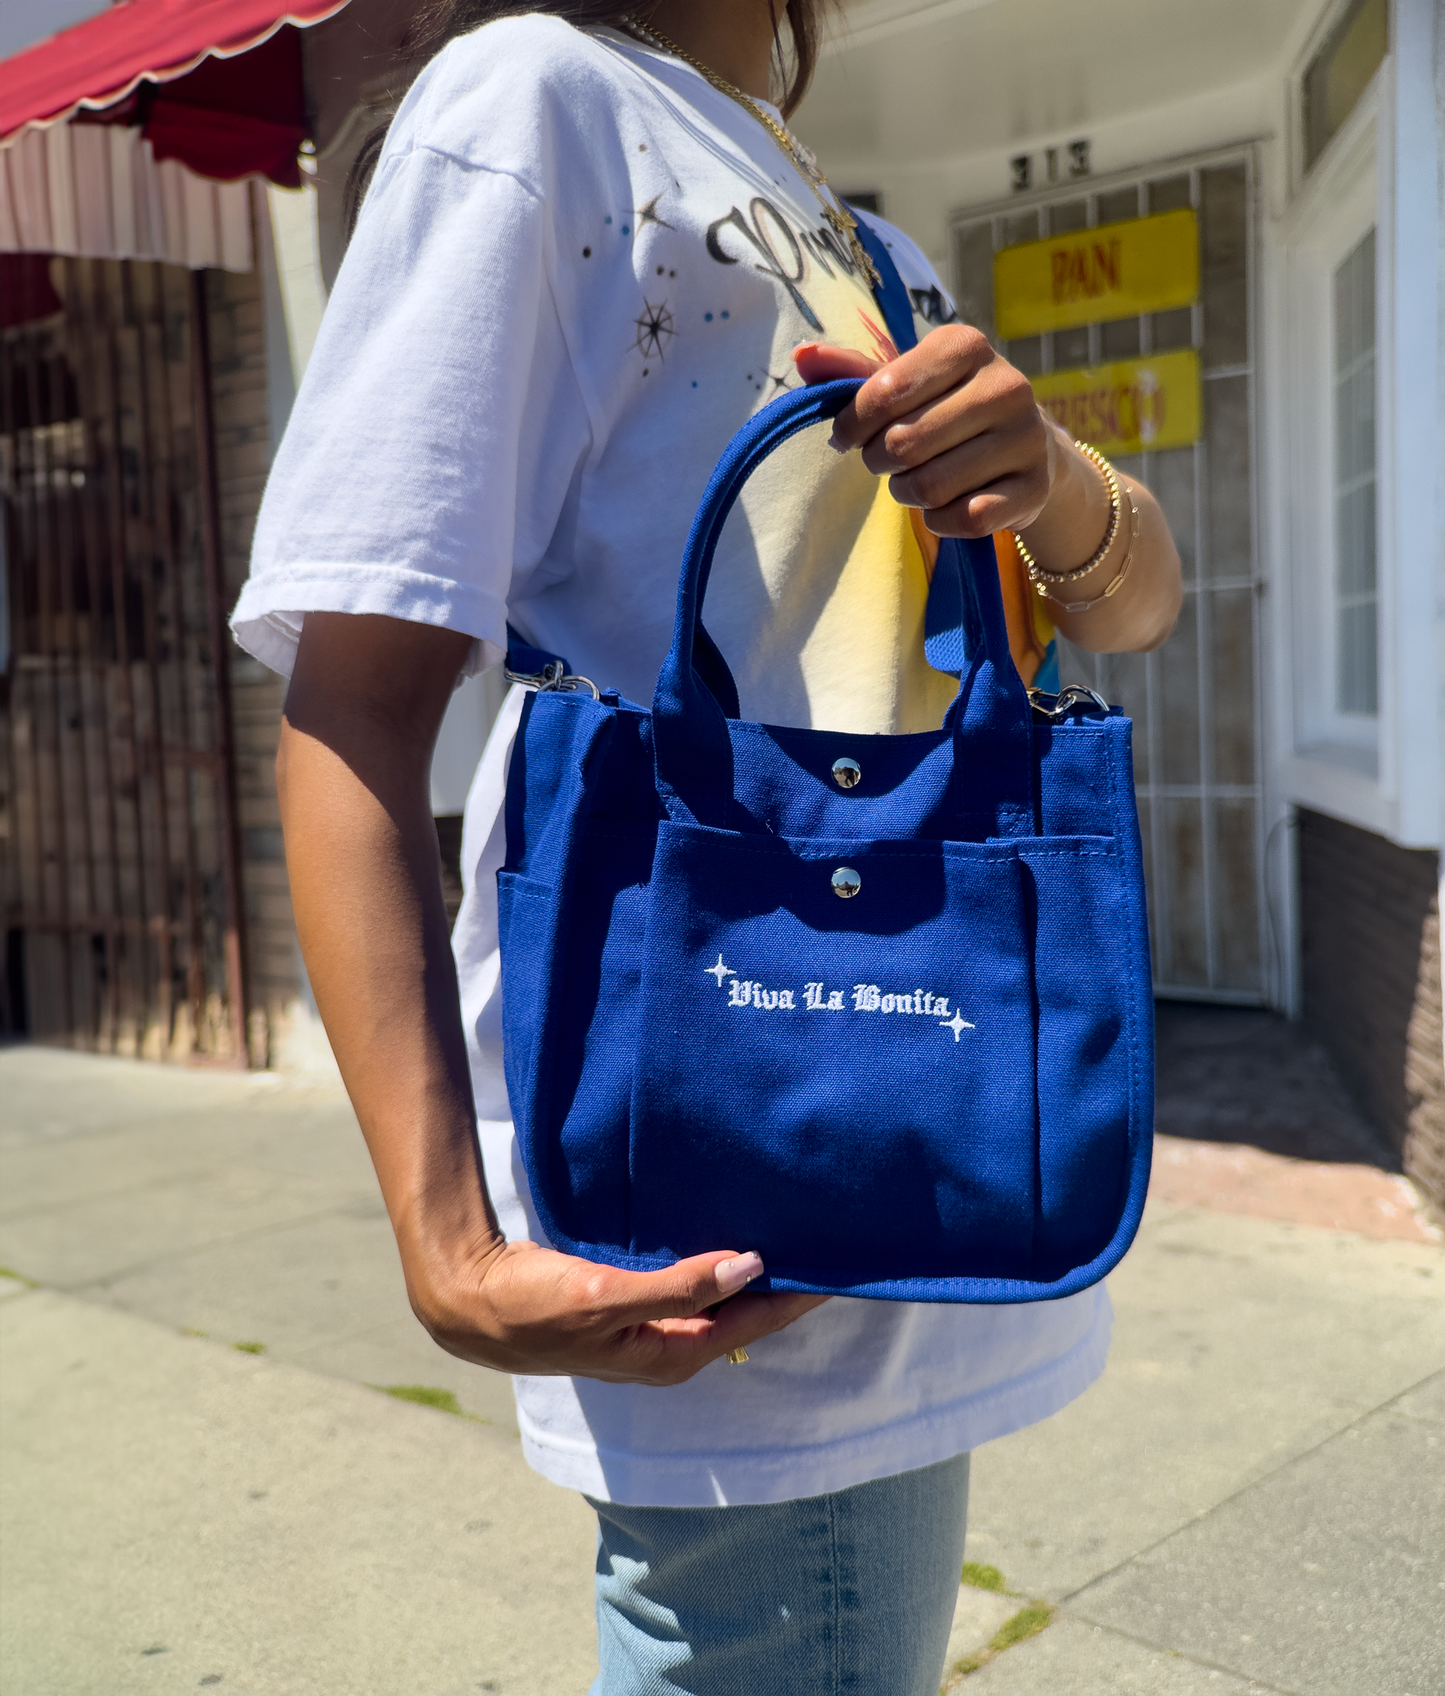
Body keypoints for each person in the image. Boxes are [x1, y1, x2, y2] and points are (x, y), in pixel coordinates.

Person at [232, 2, 1183, 1689]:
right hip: (734, 1136)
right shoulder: (535, 102)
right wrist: (444, 1240)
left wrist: (1045, 482)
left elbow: (1139, 602)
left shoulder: (860, 232)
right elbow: (356, 696)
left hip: (909, 1116)